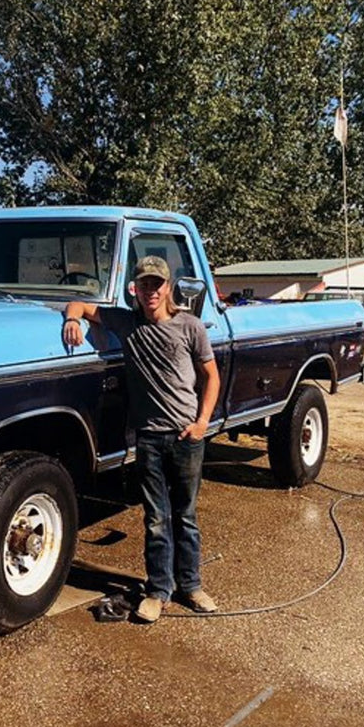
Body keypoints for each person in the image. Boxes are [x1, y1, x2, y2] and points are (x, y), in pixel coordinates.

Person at [63, 255, 221, 623]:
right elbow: (80, 305)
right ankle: (157, 591)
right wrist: (72, 318)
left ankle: (191, 586)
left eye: (157, 284)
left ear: (168, 287)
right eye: (143, 285)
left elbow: (211, 377)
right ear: (134, 289)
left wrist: (202, 424)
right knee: (156, 518)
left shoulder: (190, 326)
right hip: (149, 437)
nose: (150, 291)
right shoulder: (126, 322)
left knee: (186, 516)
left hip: (186, 436)